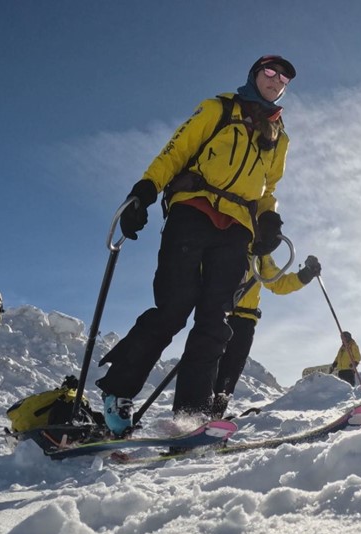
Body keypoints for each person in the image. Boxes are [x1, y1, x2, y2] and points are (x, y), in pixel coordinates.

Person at [94, 55, 297, 435]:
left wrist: (269, 218)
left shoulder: (278, 136)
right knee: (173, 307)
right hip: (195, 211)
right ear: (254, 75)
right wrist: (145, 191)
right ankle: (118, 392)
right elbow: (177, 151)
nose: (277, 79)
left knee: (214, 321)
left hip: (238, 227)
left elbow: (269, 189)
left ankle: (191, 416)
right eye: (269, 71)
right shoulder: (218, 108)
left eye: (284, 77)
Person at [211, 255, 321, 417]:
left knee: (230, 371)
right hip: (217, 314)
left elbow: (277, 282)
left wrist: (305, 275)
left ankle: (215, 416)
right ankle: (192, 415)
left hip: (245, 321)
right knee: (206, 365)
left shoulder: (260, 253)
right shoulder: (224, 234)